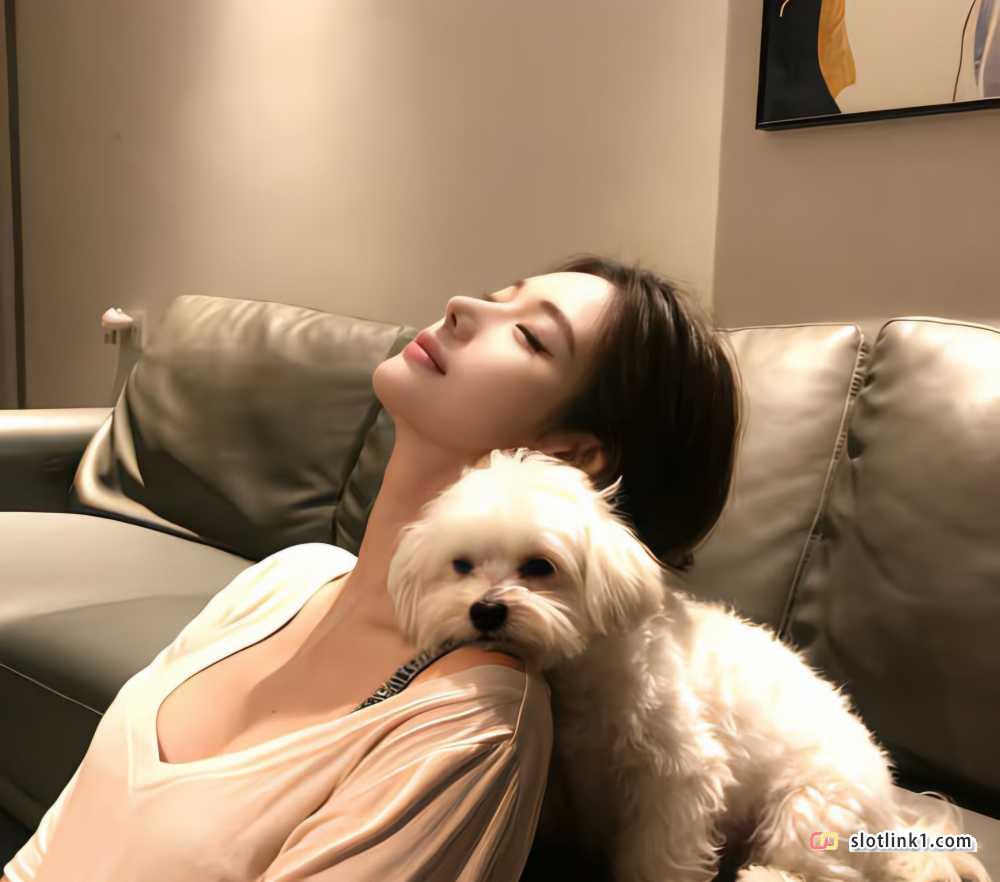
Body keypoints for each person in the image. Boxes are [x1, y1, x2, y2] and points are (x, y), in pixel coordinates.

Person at [2, 252, 744, 882]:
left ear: (571, 453)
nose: (461, 307)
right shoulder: (289, 576)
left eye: (527, 333)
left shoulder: (473, 721)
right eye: (494, 296)